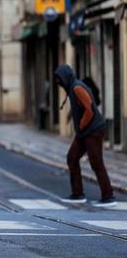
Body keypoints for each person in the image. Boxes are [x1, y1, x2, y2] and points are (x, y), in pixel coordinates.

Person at [55, 64, 116, 207]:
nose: (58, 82)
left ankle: (108, 196)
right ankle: (77, 194)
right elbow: (80, 107)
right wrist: (73, 117)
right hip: (84, 132)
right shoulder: (72, 88)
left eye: (59, 79)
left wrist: (81, 125)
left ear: (66, 77)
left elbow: (89, 109)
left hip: (93, 130)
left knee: (96, 162)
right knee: (72, 157)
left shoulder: (77, 87)